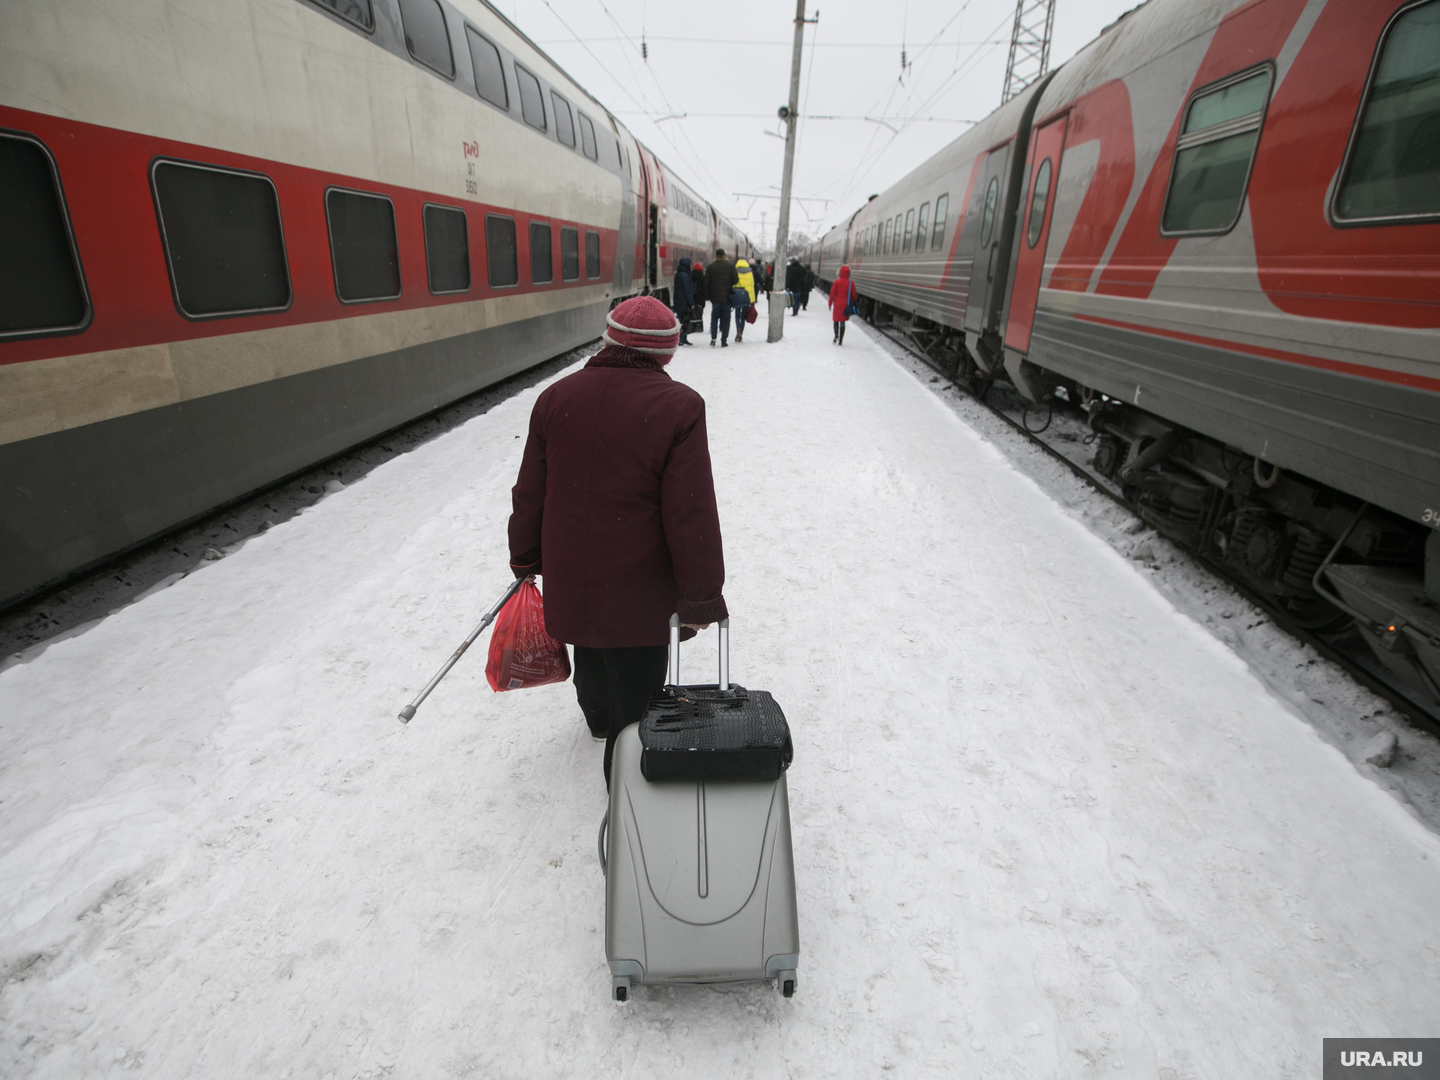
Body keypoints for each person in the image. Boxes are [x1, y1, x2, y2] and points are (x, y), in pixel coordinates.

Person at [508, 295, 728, 784]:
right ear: (665, 353)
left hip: (572, 568)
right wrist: (701, 594)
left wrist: (524, 555)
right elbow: (690, 510)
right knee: (636, 679)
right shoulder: (680, 406)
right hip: (639, 577)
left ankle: (599, 719)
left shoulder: (556, 397)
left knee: (591, 643)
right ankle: (627, 786)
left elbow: (531, 491)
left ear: (608, 339)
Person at [702, 249, 739, 346]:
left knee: (714, 318)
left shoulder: (711, 267)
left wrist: (707, 295)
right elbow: (735, 280)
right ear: (724, 255)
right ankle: (724, 340)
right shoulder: (730, 266)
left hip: (715, 298)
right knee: (726, 319)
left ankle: (713, 338)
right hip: (727, 297)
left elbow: (706, 282)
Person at [828, 264, 856, 344]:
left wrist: (830, 304)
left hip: (837, 304)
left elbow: (832, 294)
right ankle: (841, 340)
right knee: (842, 322)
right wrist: (854, 302)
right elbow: (853, 295)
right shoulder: (851, 283)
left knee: (836, 320)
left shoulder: (837, 282)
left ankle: (836, 336)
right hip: (846, 304)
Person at [732, 258, 756, 343]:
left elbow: (733, 283)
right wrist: (752, 300)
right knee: (743, 316)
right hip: (747, 297)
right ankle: (741, 333)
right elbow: (752, 286)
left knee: (737, 315)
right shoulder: (750, 272)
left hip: (737, 296)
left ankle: (738, 330)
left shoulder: (735, 271)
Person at [672, 257, 694, 346]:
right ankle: (682, 338)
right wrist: (691, 303)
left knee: (682, 320)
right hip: (683, 302)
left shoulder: (679, 274)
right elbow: (687, 290)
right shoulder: (685, 275)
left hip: (678, 300)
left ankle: (682, 338)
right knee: (684, 320)